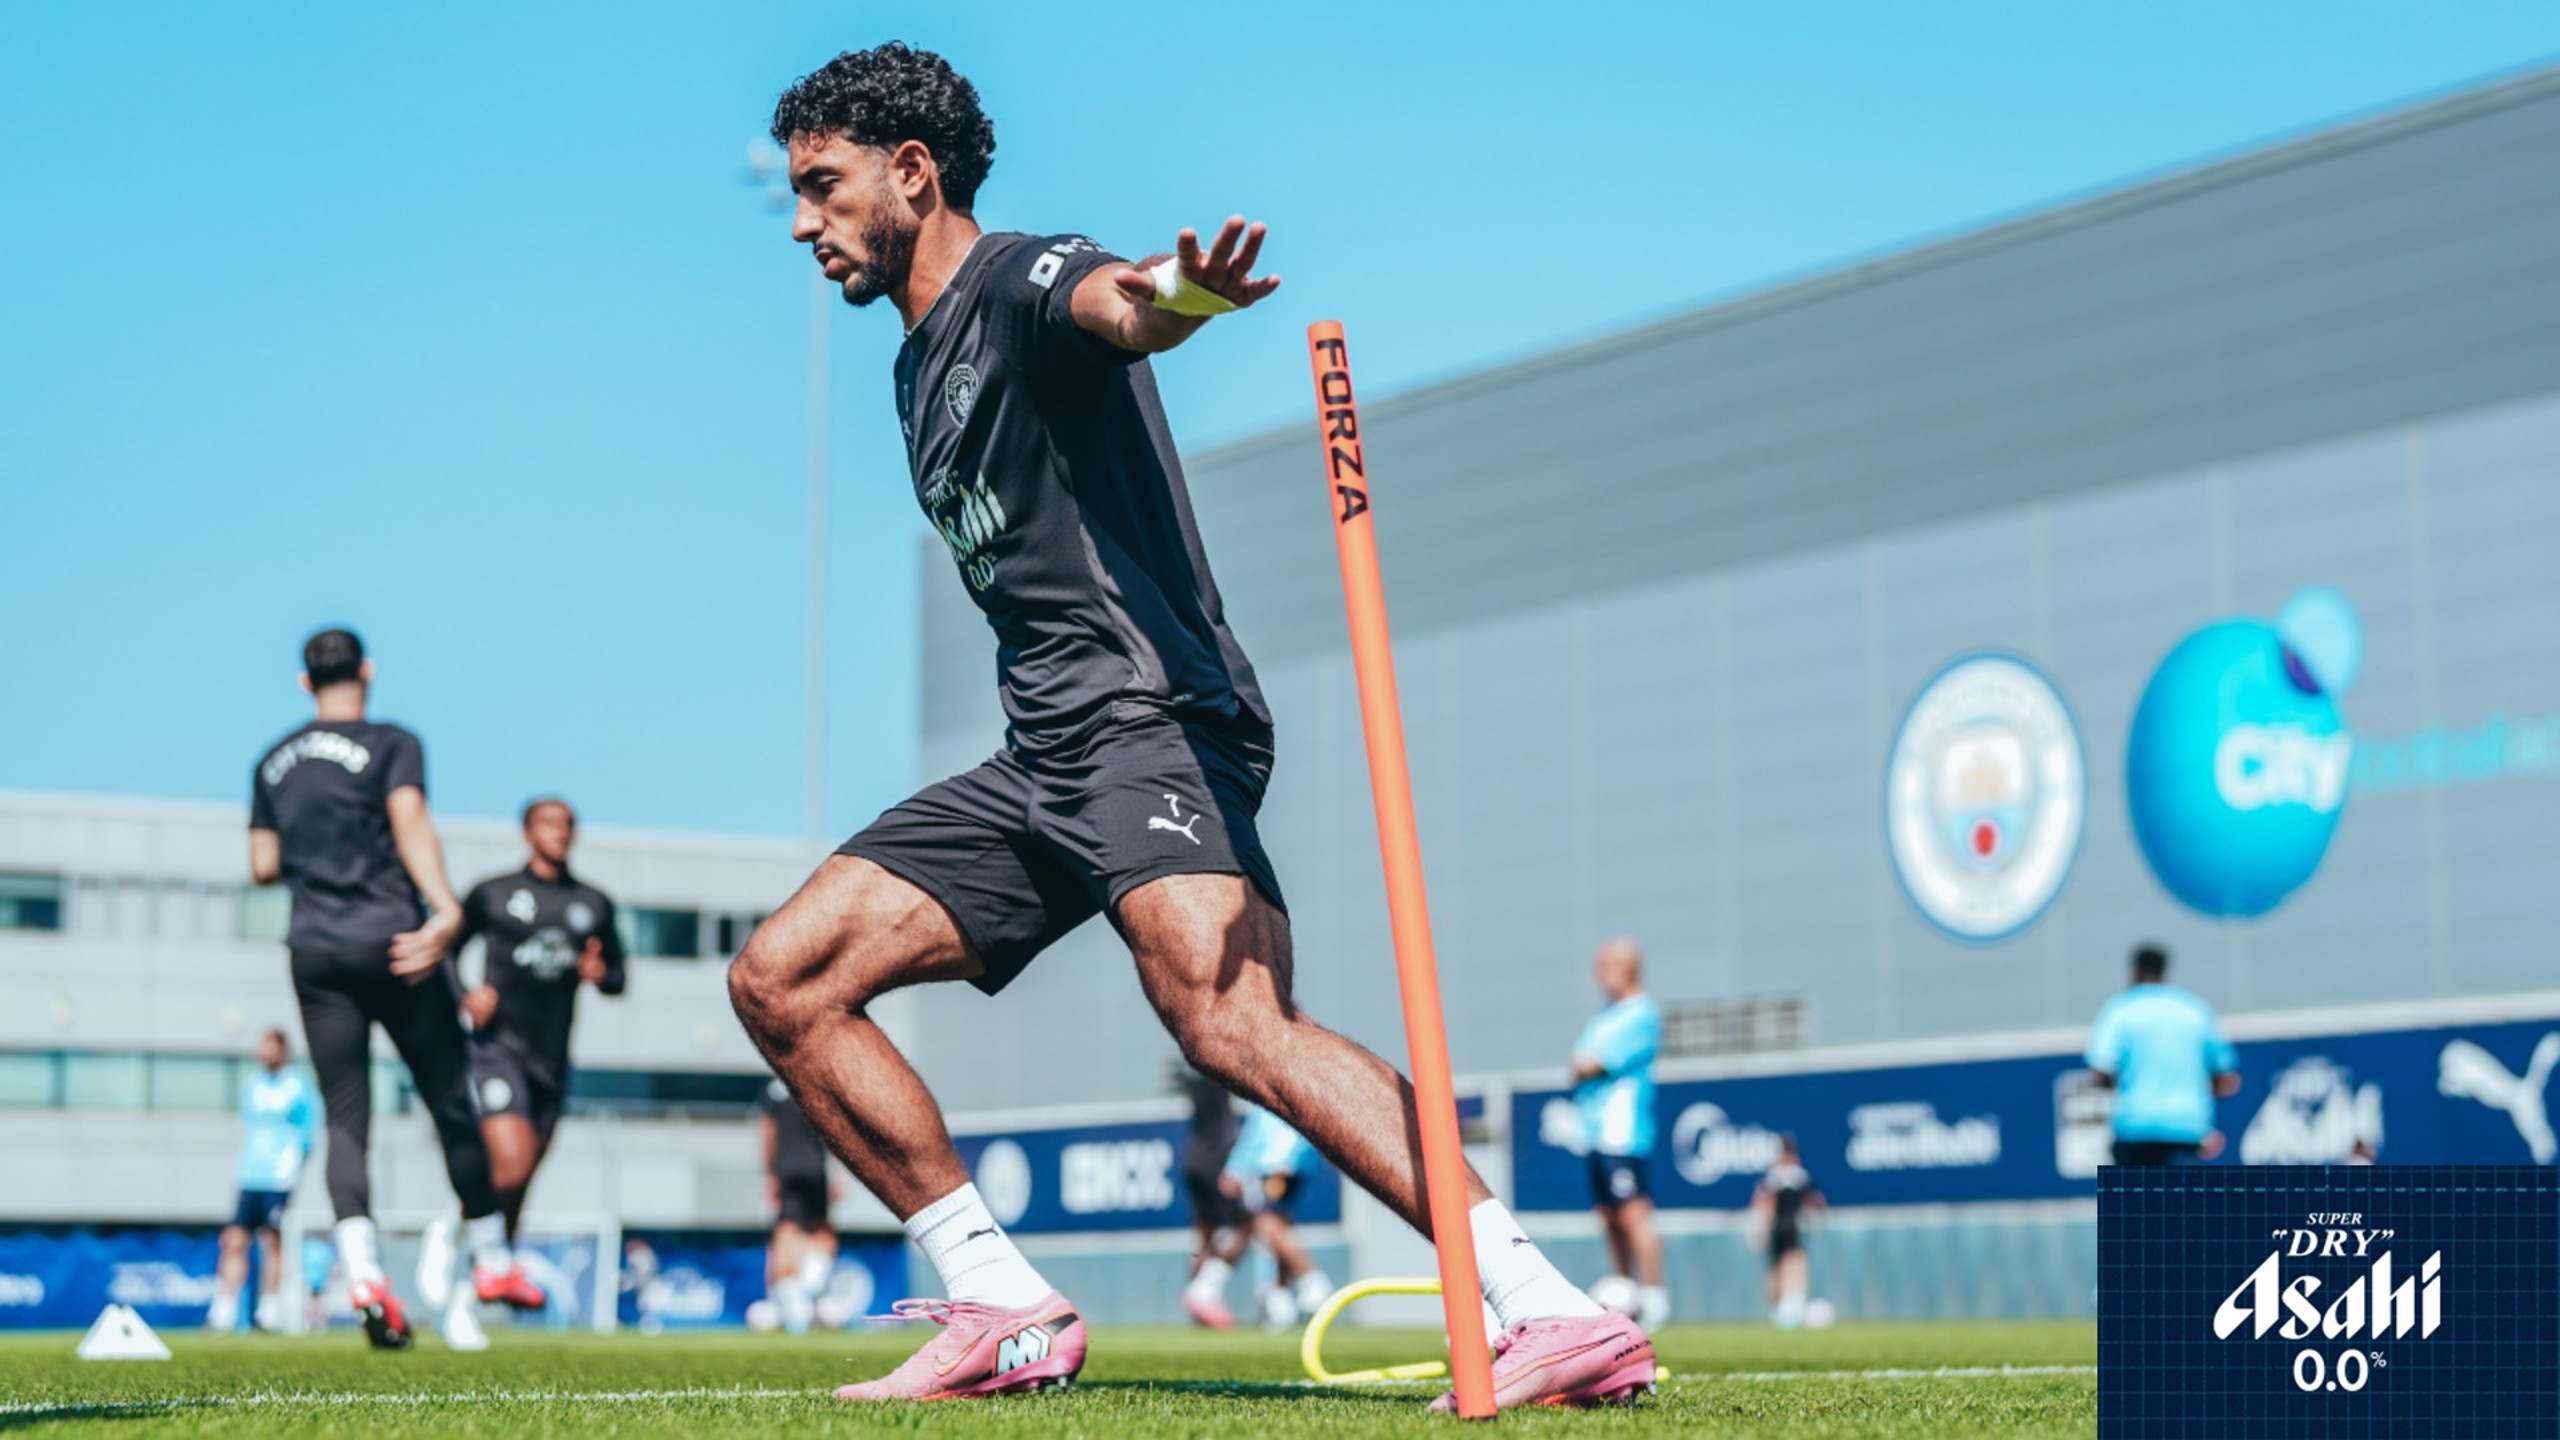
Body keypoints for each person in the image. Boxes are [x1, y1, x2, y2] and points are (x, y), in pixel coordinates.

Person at [727, 44, 1651, 1411]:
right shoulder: (915, 370)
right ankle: (1000, 1305)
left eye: (824, 184)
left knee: (1232, 1021)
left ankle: (1548, 1308)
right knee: (783, 978)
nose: (803, 221)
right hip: (1043, 751)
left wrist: (1180, 294)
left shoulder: (1018, 279)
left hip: (1146, 718)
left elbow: (1117, 302)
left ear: (911, 173)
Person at [246, 626, 523, 1350]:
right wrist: (447, 909)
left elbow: (263, 863)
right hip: (396, 945)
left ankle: (364, 1274)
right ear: (365, 671)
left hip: (315, 951)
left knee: (345, 1118)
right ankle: (493, 1257)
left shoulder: (272, 760)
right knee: (450, 1100)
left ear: (304, 681)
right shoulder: (393, 742)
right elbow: (410, 823)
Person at [445, 795, 627, 1307]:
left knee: (520, 1181)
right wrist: (465, 995)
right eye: (549, 823)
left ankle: (481, 1276)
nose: (559, 832)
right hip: (497, 1048)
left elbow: (618, 976)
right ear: (528, 832)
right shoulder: (493, 893)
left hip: (552, 1059)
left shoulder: (593, 903)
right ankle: (454, 1232)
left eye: (567, 824)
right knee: (511, 1162)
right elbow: (445, 952)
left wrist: (601, 974)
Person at [1571, 937, 1668, 1332]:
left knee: (1634, 1214)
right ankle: (1626, 1293)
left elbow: (1591, 1062)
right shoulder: (1604, 1016)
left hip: (1621, 1133)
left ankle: (1655, 1297)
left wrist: (1585, 1065)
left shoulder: (1641, 1013)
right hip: (1595, 1133)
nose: (1598, 975)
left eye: (1604, 966)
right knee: (1609, 1217)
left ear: (1627, 967)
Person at [2085, 944, 2241, 1165]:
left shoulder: (2121, 1010)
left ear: (2134, 971)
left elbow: (2100, 1069)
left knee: (2135, 1189)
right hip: (2187, 1126)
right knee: (2178, 1189)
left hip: (2134, 1127)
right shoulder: (2195, 1010)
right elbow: (2225, 1075)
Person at [206, 1028, 318, 1333]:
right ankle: (224, 1311)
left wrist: (292, 1167)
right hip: (249, 1175)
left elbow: (309, 1132)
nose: (261, 1051)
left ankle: (269, 1310)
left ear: (282, 1050)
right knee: (234, 1240)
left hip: (278, 1178)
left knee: (272, 1241)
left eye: (268, 1045)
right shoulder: (252, 1085)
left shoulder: (298, 1086)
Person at [1222, 1104, 1333, 1330]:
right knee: (1273, 1228)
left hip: (1280, 1167)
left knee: (1266, 1221)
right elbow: (1253, 1132)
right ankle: (1281, 1300)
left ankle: (1313, 1281)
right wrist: (1236, 1167)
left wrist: (1292, 1160)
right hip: (1266, 1168)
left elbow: (1305, 1123)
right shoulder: (1261, 1099)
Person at [760, 1076, 840, 1335]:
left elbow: (768, 1133)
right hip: (816, 1167)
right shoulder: (816, 1082)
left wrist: (769, 1173)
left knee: (787, 1230)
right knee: (821, 1229)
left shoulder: (773, 1089)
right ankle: (810, 1286)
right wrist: (837, 1173)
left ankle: (795, 1296)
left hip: (787, 1169)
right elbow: (832, 1131)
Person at [1177, 1064, 1248, 1329]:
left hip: (1194, 1156)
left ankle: (1198, 1302)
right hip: (1215, 1159)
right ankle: (1203, 1293)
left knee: (1204, 1233)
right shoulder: (1216, 1072)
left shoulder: (1194, 1077)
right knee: (1247, 1224)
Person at [1751, 1134, 1824, 1327]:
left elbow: (1762, 1201)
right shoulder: (1798, 1175)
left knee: (1778, 1268)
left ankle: (1780, 1309)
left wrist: (1760, 1229)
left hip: (1778, 1227)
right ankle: (1790, 1306)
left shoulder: (1774, 1175)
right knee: (1792, 1265)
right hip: (1790, 1227)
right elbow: (1817, 1200)